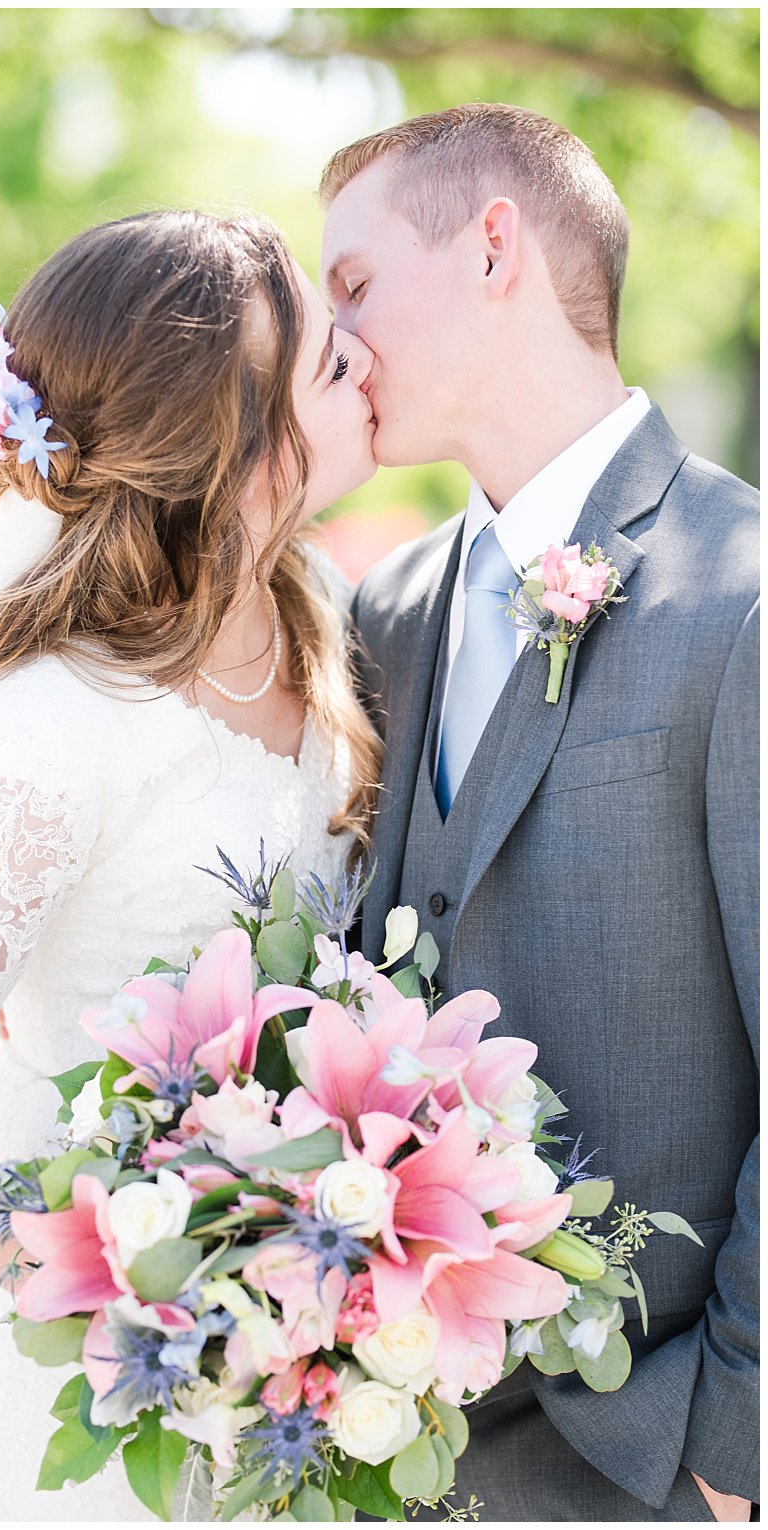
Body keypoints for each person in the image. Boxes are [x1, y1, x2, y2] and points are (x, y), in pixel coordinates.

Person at [0, 208, 382, 1517]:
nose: (364, 361)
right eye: (324, 361)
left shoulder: (316, 618)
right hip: (128, 1378)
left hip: (308, 1309)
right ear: (226, 448)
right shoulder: (47, 727)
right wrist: (121, 1298)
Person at [327, 103, 758, 1521]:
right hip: (396, 1453)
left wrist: (731, 1441)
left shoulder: (743, 594)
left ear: (495, 247)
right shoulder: (381, 614)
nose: (333, 350)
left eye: (354, 287)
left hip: (652, 1465)